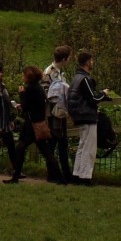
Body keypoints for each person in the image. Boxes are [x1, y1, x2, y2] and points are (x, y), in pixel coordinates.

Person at [10, 65, 63, 184]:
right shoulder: (38, 88)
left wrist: (21, 93)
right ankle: (60, 177)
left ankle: (15, 176)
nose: (23, 77)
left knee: (20, 148)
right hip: (39, 123)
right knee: (46, 152)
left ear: (28, 76)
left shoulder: (30, 89)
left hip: (31, 125)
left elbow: (25, 107)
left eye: (24, 75)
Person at [66, 50, 112, 186]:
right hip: (86, 115)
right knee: (90, 148)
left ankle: (77, 174)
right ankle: (86, 177)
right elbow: (92, 99)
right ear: (87, 62)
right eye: (91, 60)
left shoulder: (76, 78)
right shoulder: (85, 79)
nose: (93, 63)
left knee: (82, 146)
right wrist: (103, 94)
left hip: (79, 115)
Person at [42, 44, 73, 185]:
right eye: (69, 58)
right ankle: (53, 173)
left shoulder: (59, 72)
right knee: (54, 143)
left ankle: (63, 173)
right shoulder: (49, 72)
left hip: (61, 112)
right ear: (64, 59)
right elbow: (46, 93)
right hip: (54, 113)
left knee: (61, 143)